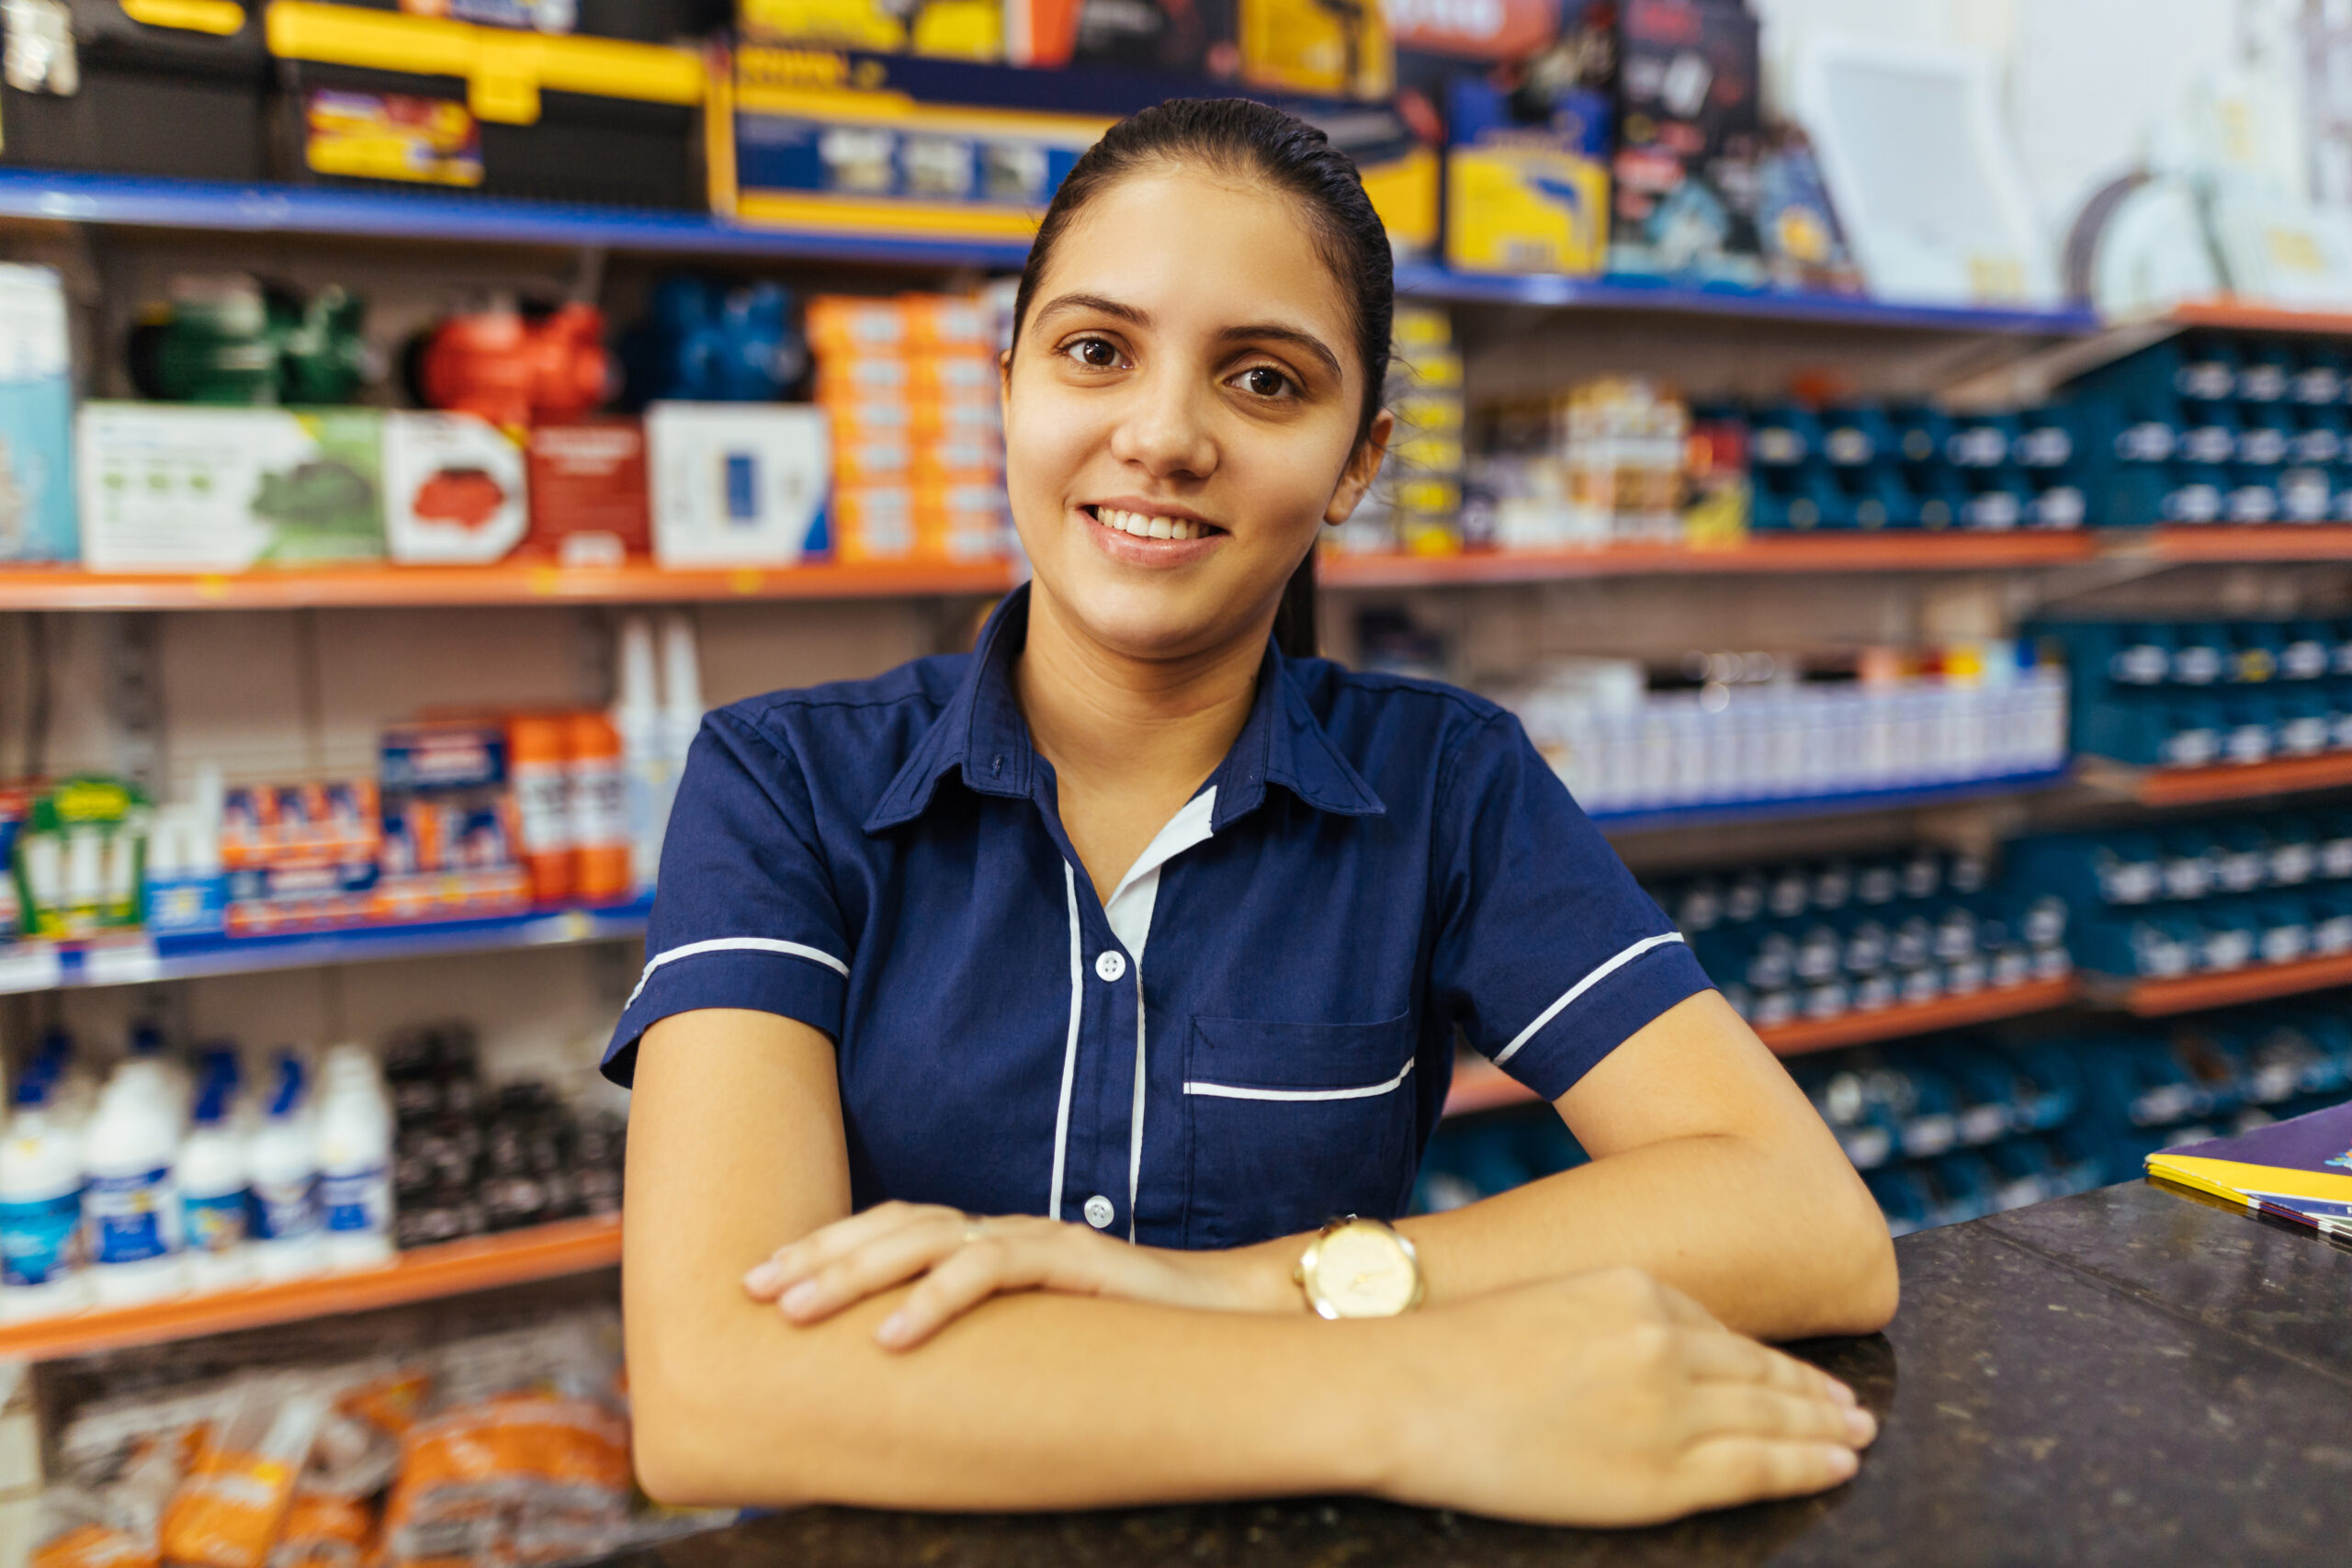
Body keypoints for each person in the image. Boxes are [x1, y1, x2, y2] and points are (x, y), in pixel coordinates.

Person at [616, 96, 1896, 1528]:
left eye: (1267, 382)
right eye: (1096, 351)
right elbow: (712, 1390)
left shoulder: (1447, 784)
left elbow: (1809, 1225)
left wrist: (1243, 1287)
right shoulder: (783, 785)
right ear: (1009, 387)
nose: (1163, 437)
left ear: (1362, 458)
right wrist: (1418, 1391)